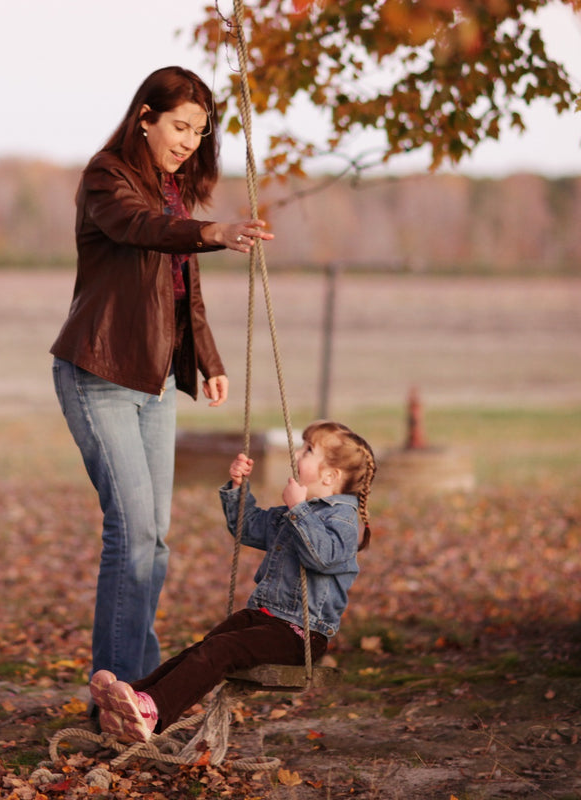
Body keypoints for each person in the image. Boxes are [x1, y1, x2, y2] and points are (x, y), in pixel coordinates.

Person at [50, 66, 274, 687]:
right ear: (144, 117)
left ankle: (137, 690)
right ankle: (122, 689)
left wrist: (208, 358)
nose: (188, 141)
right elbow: (140, 230)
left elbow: (183, 291)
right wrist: (214, 231)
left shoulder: (173, 193)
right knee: (133, 531)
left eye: (200, 133)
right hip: (97, 373)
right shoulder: (106, 177)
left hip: (151, 384)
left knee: (155, 540)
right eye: (179, 126)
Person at [88, 420, 376, 743]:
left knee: (221, 650)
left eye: (309, 450)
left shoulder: (343, 521)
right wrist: (239, 488)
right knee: (203, 648)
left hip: (300, 634)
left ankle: (152, 709)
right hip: (265, 619)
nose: (298, 453)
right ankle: (132, 696)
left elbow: (322, 556)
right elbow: (248, 527)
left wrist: (299, 510)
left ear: (330, 476)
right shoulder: (298, 512)